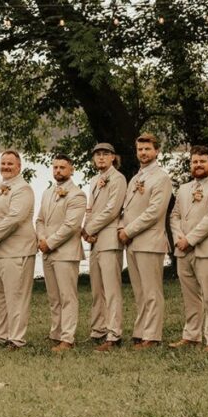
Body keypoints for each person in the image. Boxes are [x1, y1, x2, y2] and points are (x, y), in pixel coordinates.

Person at [169, 145, 208, 351]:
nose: (198, 165)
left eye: (202, 161)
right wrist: (179, 237)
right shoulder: (184, 189)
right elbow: (174, 215)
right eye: (194, 162)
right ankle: (191, 335)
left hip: (207, 249)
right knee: (190, 296)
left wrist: (190, 239)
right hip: (183, 249)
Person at [118, 134, 172, 349]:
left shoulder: (161, 178)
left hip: (150, 241)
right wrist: (122, 227)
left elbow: (154, 212)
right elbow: (127, 208)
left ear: (156, 151)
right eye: (140, 149)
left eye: (147, 149)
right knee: (139, 291)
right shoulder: (135, 178)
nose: (143, 153)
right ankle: (140, 332)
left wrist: (128, 231)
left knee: (151, 292)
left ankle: (153, 336)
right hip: (132, 242)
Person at [0, 150, 37, 349]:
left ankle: (17, 338)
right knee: (0, 296)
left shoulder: (23, 189)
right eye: (3, 163)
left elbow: (14, 218)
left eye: (10, 164)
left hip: (16, 251)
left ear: (19, 166)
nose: (6, 167)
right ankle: (2, 335)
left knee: (16, 296)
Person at [35, 154, 87, 352]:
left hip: (65, 252)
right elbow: (40, 220)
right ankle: (56, 333)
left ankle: (68, 338)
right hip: (47, 251)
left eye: (62, 168)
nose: (58, 171)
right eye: (55, 167)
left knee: (67, 296)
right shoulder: (48, 192)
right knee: (54, 297)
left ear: (71, 169)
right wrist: (41, 239)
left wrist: (50, 242)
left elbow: (71, 226)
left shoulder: (78, 195)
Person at [82, 143, 125, 351]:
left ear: (113, 158)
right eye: (97, 154)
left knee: (111, 289)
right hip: (95, 240)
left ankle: (114, 334)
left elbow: (112, 210)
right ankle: (98, 330)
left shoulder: (118, 178)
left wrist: (90, 228)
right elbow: (90, 208)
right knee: (96, 288)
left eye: (105, 154)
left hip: (109, 240)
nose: (100, 158)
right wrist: (86, 229)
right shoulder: (93, 180)